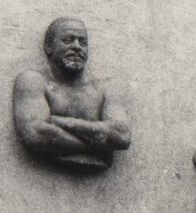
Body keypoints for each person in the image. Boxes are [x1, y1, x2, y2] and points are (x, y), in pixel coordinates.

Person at [12, 17, 133, 170]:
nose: (76, 46)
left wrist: (60, 122)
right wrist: (99, 148)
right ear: (48, 46)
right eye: (68, 40)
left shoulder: (106, 88)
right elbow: (35, 134)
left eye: (82, 42)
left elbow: (122, 136)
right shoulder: (33, 81)